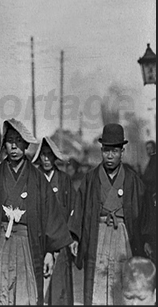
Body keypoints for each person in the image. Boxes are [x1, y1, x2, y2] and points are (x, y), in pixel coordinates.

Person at [0, 118, 73, 305]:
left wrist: (50, 252)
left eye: (18, 141)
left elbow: (51, 215)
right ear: (4, 145)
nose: (14, 146)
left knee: (27, 295)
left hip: (28, 244)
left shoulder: (38, 179)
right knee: (1, 294)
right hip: (0, 242)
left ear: (25, 144)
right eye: (9, 141)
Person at [69, 123, 146, 305]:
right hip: (98, 234)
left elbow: (144, 213)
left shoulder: (133, 180)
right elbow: (79, 207)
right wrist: (75, 237)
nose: (110, 156)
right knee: (97, 281)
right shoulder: (91, 178)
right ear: (101, 150)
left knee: (123, 280)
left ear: (122, 151)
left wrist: (147, 240)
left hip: (123, 237)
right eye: (106, 151)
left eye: (115, 151)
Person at [33, 136, 75, 305]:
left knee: (60, 288)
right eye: (43, 155)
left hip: (60, 239)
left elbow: (72, 208)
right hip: (39, 239)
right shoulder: (34, 178)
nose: (46, 159)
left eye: (50, 155)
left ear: (55, 157)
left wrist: (71, 237)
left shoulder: (64, 179)